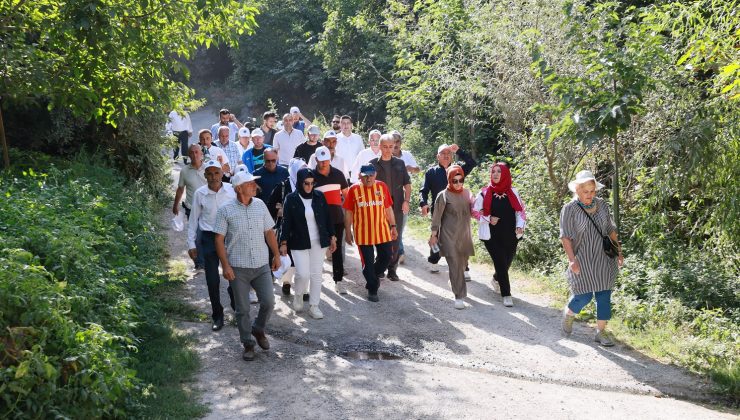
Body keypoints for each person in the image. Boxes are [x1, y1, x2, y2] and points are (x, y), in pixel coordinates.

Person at [213, 171, 281, 361]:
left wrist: (276, 255)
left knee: (269, 302)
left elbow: (269, 232)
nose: (254, 186)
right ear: (238, 188)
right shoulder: (225, 210)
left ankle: (258, 329)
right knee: (242, 309)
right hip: (238, 268)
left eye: (254, 183)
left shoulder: (260, 205)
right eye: (250, 183)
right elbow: (218, 239)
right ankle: (248, 344)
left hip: (261, 265)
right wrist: (225, 266)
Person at [559, 170, 623, 347]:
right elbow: (565, 237)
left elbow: (610, 229)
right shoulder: (569, 209)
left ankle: (600, 332)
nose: (589, 195)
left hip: (604, 258)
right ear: (577, 191)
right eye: (585, 191)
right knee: (584, 296)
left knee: (604, 296)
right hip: (582, 258)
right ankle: (569, 314)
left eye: (592, 191)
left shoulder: (602, 205)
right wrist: (572, 260)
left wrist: (619, 251)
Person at [279, 168, 337, 319]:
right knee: (302, 274)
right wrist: (283, 242)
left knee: (316, 274)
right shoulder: (291, 198)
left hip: (319, 241)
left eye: (312, 183)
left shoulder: (319, 196)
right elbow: (286, 222)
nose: (309, 186)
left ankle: (314, 306)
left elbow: (327, 218)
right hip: (298, 241)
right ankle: (298, 295)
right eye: (306, 183)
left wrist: (332, 236)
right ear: (300, 182)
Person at [188, 160, 236, 331]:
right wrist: (191, 243)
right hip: (208, 237)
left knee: (234, 274)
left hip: (229, 236)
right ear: (205, 175)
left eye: (216, 173)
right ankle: (217, 314)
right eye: (210, 173)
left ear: (222, 174)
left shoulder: (231, 190)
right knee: (212, 279)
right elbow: (193, 219)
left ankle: (236, 306)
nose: (213, 177)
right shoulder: (200, 194)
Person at [472, 163, 526, 307]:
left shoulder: (513, 192)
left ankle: (497, 278)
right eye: (493, 172)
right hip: (491, 236)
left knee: (506, 262)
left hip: (510, 235)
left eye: (499, 172)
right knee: (500, 262)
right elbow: (474, 212)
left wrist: (520, 226)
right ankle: (506, 294)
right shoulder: (484, 192)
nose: (495, 174)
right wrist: (488, 219)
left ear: (505, 174)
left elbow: (520, 211)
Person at [419, 143, 477, 274]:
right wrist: (423, 203)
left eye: (448, 153)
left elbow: (472, 163)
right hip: (439, 210)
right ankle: (433, 260)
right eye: (443, 154)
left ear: (451, 156)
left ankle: (465, 267)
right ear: (437, 156)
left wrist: (459, 151)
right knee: (437, 235)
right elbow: (423, 190)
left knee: (459, 237)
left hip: (457, 209)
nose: (446, 156)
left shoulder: (457, 170)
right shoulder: (431, 172)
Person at [343, 164, 397, 302]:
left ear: (375, 175)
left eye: (371, 175)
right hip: (363, 233)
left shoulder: (382, 187)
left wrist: (393, 226)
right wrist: (348, 232)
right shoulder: (353, 189)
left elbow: (388, 208)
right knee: (367, 264)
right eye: (365, 175)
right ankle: (372, 289)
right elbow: (348, 212)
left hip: (382, 230)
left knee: (387, 256)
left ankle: (375, 273)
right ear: (360, 175)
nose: (368, 178)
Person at [429, 165, 475, 309]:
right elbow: (436, 218)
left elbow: (476, 211)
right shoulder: (443, 195)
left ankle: (455, 282)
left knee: (461, 265)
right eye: (454, 180)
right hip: (449, 236)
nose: (458, 183)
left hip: (464, 235)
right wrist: (434, 235)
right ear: (449, 179)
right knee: (454, 264)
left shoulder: (467, 193)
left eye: (460, 180)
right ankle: (459, 296)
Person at [370, 134, 411, 282]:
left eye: (390, 146)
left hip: (397, 206)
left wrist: (407, 200)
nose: (388, 150)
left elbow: (407, 184)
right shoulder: (372, 164)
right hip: (378, 208)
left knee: (395, 237)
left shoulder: (400, 163)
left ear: (394, 146)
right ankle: (380, 265)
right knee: (380, 237)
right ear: (379, 147)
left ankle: (392, 269)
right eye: (385, 147)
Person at [312, 146, 349, 294]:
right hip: (318, 220)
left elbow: (346, 195)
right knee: (317, 250)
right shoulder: (311, 177)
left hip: (337, 218)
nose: (323, 163)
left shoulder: (339, 174)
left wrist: (348, 214)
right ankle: (315, 280)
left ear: (330, 159)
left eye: (326, 160)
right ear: (316, 160)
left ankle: (338, 281)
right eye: (321, 161)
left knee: (337, 250)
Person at [268, 158, 307, 297]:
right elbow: (270, 205)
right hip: (286, 228)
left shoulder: (307, 185)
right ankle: (286, 282)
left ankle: (303, 289)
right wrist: (279, 209)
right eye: (301, 169)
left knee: (303, 258)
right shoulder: (283, 186)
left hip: (303, 228)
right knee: (288, 255)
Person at [173, 144, 207, 270]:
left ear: (201, 153)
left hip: (208, 208)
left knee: (206, 235)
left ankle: (208, 259)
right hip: (192, 208)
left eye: (196, 152)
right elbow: (180, 189)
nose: (194, 155)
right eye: (191, 153)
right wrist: (175, 205)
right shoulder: (185, 171)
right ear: (188, 155)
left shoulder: (208, 168)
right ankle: (200, 264)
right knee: (197, 235)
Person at [390, 130, 419, 265]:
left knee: (401, 224)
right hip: (390, 195)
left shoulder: (407, 155)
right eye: (393, 141)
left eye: (398, 141)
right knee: (392, 223)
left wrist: (410, 168)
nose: (395, 144)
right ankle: (398, 252)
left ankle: (397, 250)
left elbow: (418, 169)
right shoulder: (386, 155)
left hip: (404, 194)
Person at [335, 115, 365, 181]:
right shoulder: (335, 139)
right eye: (343, 123)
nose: (346, 125)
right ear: (340, 125)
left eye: (348, 123)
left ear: (351, 125)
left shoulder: (358, 138)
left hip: (356, 174)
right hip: (341, 173)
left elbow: (362, 155)